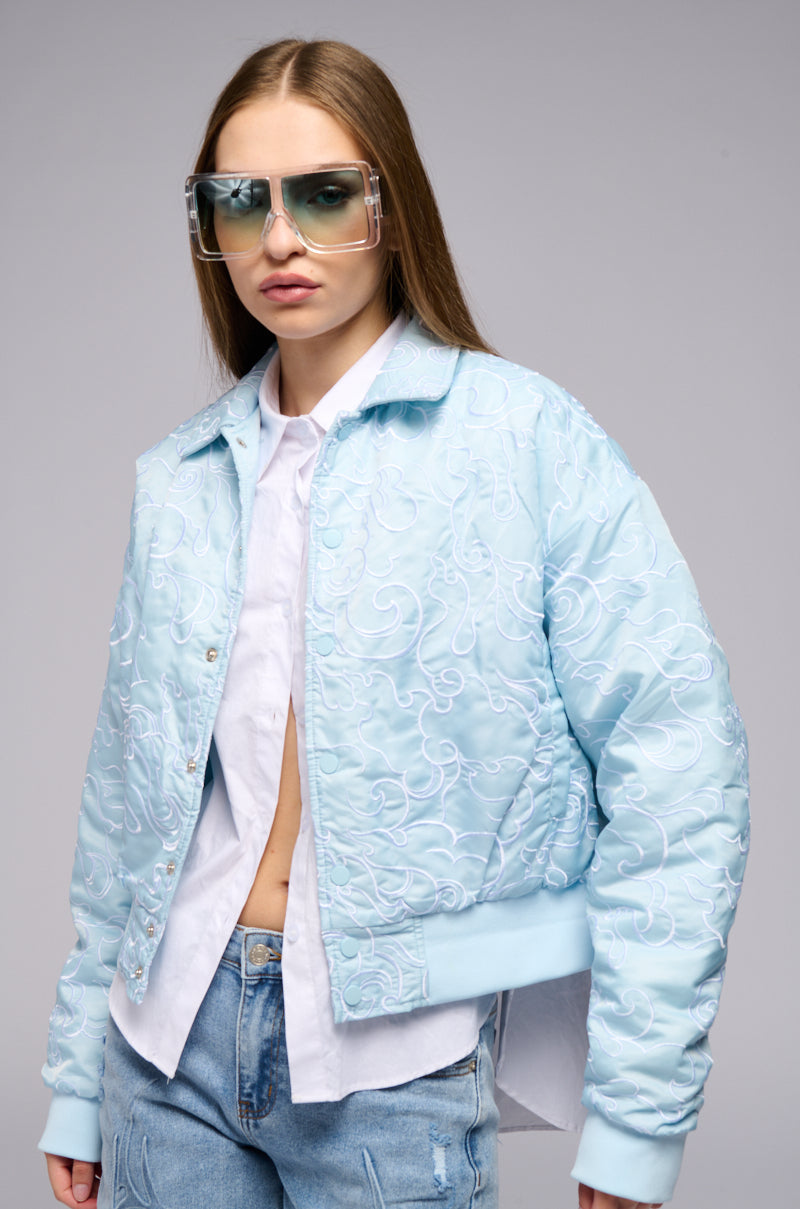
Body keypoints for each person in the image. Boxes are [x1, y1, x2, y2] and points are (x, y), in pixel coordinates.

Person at [39, 37, 749, 1209]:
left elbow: (678, 767)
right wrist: (77, 1078)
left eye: (323, 194)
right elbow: (125, 804)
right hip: (162, 1053)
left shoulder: (524, 442)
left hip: (392, 1064)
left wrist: (636, 1113)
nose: (279, 239)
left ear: (391, 206)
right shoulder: (178, 480)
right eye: (240, 201)